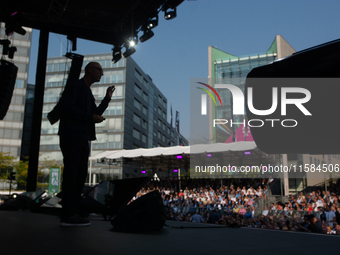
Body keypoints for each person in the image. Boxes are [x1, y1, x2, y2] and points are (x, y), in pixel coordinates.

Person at [58, 62, 115, 227]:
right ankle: (68, 213)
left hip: (82, 138)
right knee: (72, 173)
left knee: (80, 174)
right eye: (100, 71)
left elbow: (95, 113)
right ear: (90, 70)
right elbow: (68, 109)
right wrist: (90, 118)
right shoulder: (75, 86)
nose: (102, 74)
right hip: (72, 135)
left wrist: (107, 98)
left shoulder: (88, 92)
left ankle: (73, 212)